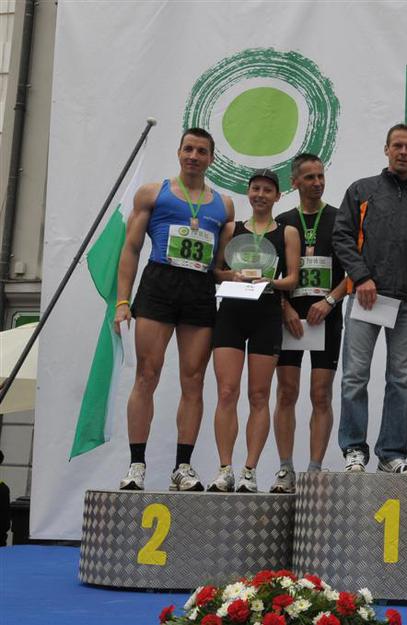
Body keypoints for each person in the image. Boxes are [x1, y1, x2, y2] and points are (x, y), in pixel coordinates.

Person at [114, 128, 234, 491]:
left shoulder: (224, 206)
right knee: (147, 375)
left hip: (199, 290)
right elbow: (131, 248)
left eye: (201, 151)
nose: (194, 156)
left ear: (211, 158)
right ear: (179, 152)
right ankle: (136, 464)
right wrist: (122, 301)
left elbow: (221, 264)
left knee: (194, 380)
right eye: (188, 149)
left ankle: (182, 467)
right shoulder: (153, 193)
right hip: (160, 284)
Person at [332, 123, 407, 473]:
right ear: (386, 149)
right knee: (355, 376)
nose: (403, 152)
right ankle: (353, 449)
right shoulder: (362, 190)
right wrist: (361, 277)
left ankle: (391, 454)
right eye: (397, 145)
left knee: (400, 381)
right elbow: (342, 237)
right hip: (366, 297)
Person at [206, 169, 300, 492]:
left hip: (267, 313)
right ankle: (224, 469)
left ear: (277, 196)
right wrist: (231, 276)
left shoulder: (287, 232)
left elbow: (292, 279)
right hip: (231, 312)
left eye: (267, 190)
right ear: (249, 193)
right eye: (255, 188)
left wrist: (269, 281)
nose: (261, 195)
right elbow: (216, 271)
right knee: (226, 392)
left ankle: (249, 470)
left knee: (259, 395)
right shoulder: (232, 228)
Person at [268, 154, 346, 493]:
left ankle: (314, 472)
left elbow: (356, 272)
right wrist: (284, 306)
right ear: (295, 182)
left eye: (321, 176)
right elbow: (270, 273)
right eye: (310, 177)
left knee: (320, 394)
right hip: (290, 319)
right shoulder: (283, 221)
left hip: (326, 317)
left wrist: (329, 301)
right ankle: (285, 469)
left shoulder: (340, 219)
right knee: (286, 392)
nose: (317, 183)